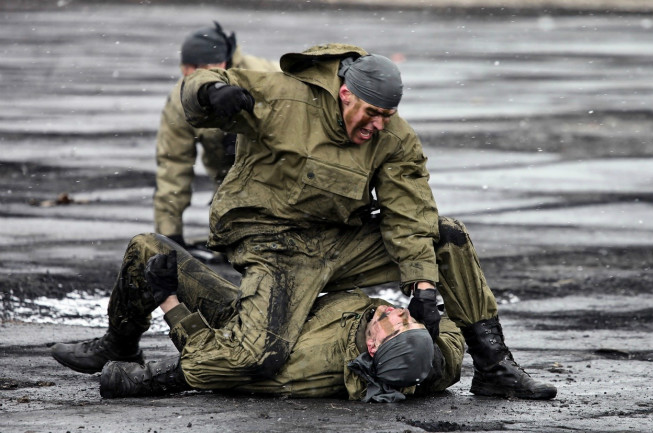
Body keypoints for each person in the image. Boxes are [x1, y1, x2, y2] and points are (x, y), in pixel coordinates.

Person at [52, 43, 557, 400]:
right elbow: (201, 82)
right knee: (257, 356)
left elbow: (409, 211)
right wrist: (211, 96)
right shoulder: (284, 96)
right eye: (372, 112)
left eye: (388, 115)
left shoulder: (394, 136)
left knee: (446, 233)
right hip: (274, 243)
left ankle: (495, 368)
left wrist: (423, 284)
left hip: (339, 241)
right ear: (345, 94)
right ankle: (119, 343)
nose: (378, 124)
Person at [54, 233, 464, 402]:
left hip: (234, 332)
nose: (394, 311)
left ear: (372, 347)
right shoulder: (429, 362)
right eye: (405, 320)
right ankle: (120, 342)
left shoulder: (310, 357)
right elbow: (448, 340)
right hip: (274, 309)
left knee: (148, 248)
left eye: (395, 323)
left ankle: (120, 346)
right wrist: (424, 316)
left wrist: (169, 301)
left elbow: (215, 361)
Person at [153, 21, 278, 251]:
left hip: (279, 175)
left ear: (222, 62)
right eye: (186, 69)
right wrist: (170, 235)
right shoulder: (180, 102)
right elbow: (173, 165)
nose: (190, 76)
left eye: (199, 69)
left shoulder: (266, 77)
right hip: (229, 184)